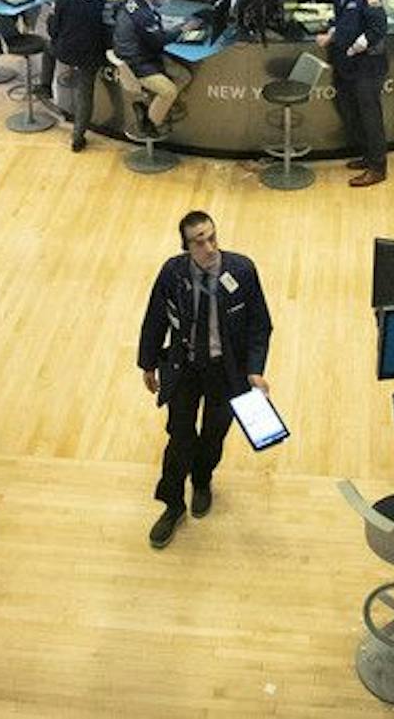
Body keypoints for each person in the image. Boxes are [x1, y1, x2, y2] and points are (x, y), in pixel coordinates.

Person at [134, 211, 273, 549]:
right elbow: (155, 318)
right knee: (179, 437)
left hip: (226, 371)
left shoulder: (242, 271)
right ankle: (172, 504)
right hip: (185, 367)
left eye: (212, 237)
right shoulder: (172, 273)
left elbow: (259, 325)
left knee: (214, 434)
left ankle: (202, 479)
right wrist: (148, 364)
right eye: (200, 242)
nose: (210, 247)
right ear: (186, 246)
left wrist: (255, 370)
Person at [318, 0, 389, 187]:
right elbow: (342, 22)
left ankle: (378, 168)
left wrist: (354, 48)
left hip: (367, 65)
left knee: (370, 117)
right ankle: (368, 156)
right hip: (348, 66)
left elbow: (378, 27)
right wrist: (331, 34)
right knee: (352, 112)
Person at [45, 0, 109, 152]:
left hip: (65, 51)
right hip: (90, 54)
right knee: (85, 94)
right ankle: (77, 138)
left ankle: (45, 86)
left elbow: (54, 29)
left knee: (48, 47)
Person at [112, 0, 188, 134]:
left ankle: (155, 107)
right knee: (169, 91)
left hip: (139, 54)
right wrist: (182, 29)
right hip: (137, 63)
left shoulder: (134, 2)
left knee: (184, 76)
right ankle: (149, 125)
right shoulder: (144, 16)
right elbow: (159, 40)